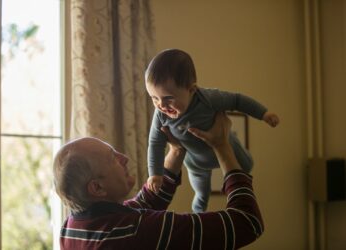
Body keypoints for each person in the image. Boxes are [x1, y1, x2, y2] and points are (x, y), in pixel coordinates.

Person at [53, 112, 264, 249]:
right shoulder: (138, 232)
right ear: (97, 188)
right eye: (113, 159)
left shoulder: (72, 228)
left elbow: (143, 203)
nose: (124, 159)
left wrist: (176, 150)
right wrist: (222, 146)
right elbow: (247, 222)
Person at [146, 48, 279, 212]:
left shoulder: (208, 99)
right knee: (202, 192)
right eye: (154, 98)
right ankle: (199, 213)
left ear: (191, 90)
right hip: (196, 163)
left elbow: (237, 100)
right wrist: (155, 173)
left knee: (247, 166)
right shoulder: (161, 115)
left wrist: (264, 113)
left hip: (227, 145)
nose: (161, 105)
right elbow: (155, 143)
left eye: (169, 98)